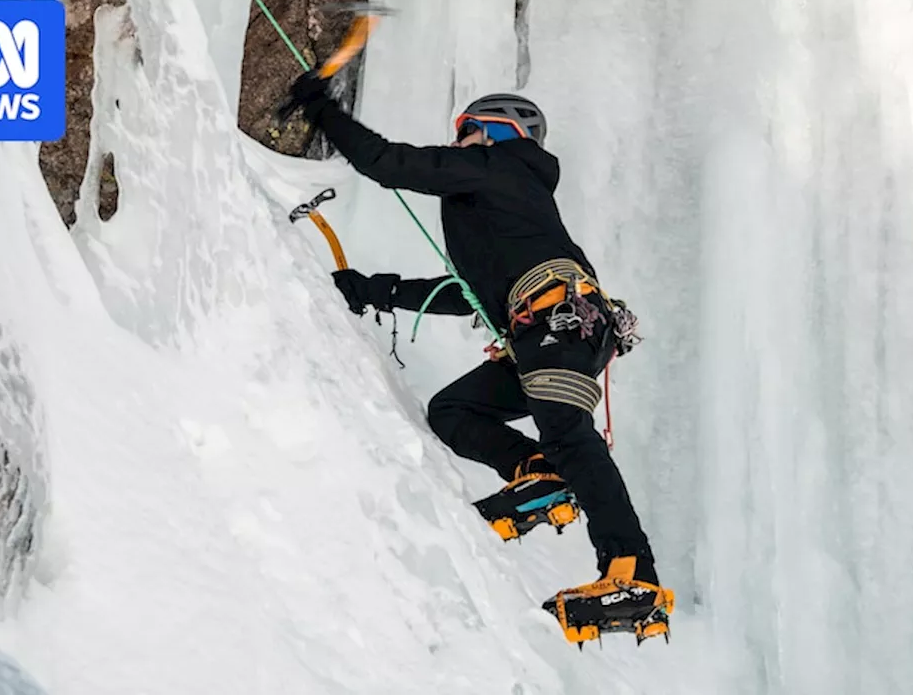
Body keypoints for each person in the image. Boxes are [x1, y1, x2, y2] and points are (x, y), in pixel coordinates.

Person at [280, 71, 666, 629]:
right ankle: (538, 475)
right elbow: (465, 297)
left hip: (560, 324)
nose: (456, 144)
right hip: (550, 328)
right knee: (454, 411)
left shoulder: (501, 169)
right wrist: (370, 289)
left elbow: (388, 162)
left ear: (493, 132)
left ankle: (632, 571)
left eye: (464, 133)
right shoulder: (503, 209)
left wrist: (323, 110)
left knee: (567, 431)